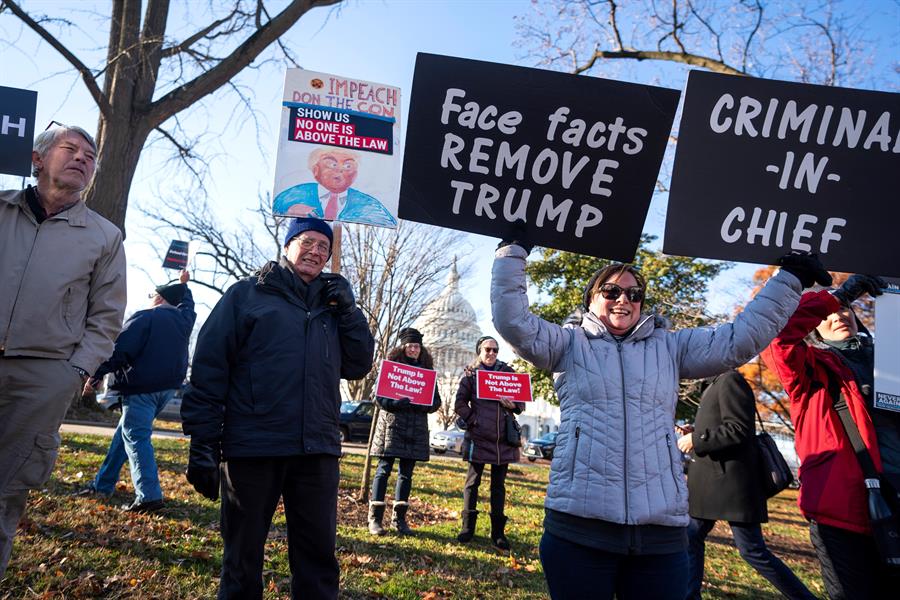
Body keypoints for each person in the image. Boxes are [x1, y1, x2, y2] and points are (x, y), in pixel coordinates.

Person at [491, 240, 831, 600]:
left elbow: (738, 340)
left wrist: (790, 278)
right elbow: (514, 323)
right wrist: (512, 254)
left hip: (661, 535)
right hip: (579, 529)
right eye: (612, 291)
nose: (624, 300)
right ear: (592, 298)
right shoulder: (567, 344)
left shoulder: (670, 347)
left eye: (634, 294)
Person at [181, 217, 374, 600]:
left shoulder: (334, 308)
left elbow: (358, 364)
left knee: (318, 559)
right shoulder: (246, 295)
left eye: (324, 246)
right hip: (253, 446)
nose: (316, 251)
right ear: (286, 246)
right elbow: (209, 367)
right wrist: (202, 441)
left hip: (316, 449)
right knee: (242, 557)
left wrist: (351, 313)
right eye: (307, 241)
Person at [0, 124, 126, 578]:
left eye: (90, 156)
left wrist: (73, 373)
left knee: (5, 493)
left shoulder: (105, 237)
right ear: (37, 160)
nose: (81, 159)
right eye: (69, 149)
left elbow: (108, 316)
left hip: (42, 379)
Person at [763, 274, 900, 598]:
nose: (839, 315)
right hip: (843, 513)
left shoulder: (890, 360)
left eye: (846, 309)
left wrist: (893, 302)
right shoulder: (812, 367)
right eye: (828, 314)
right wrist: (840, 295)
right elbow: (778, 342)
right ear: (815, 328)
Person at [678, 370, 815, 599]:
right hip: (714, 486)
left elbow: (739, 429)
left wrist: (697, 439)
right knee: (692, 536)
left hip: (730, 486)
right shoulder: (713, 384)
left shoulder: (730, 380)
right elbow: (722, 428)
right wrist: (696, 432)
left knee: (752, 551)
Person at [80, 270, 196, 513]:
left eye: (153, 294)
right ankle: (103, 484)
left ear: (160, 298)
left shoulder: (145, 317)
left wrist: (97, 373)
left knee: (136, 436)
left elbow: (120, 350)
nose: (150, 297)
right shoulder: (184, 320)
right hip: (167, 390)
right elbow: (188, 303)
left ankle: (149, 497)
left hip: (142, 388)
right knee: (126, 434)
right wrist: (184, 285)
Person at [453, 335, 525, 551]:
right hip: (478, 437)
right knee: (472, 483)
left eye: (495, 350)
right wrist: (474, 420)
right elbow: (459, 403)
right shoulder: (470, 375)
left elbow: (521, 404)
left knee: (498, 487)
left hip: (503, 440)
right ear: (480, 352)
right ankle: (467, 528)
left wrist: (512, 405)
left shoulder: (508, 373)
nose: (492, 353)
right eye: (488, 350)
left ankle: (498, 533)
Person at [368, 327, 441, 536]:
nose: (413, 350)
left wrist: (423, 405)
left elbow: (436, 402)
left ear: (421, 349)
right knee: (383, 470)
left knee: (406, 475)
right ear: (403, 347)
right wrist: (393, 402)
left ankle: (399, 519)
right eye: (409, 346)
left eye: (416, 346)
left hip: (415, 429)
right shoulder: (390, 369)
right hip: (391, 426)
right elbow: (378, 398)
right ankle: (375, 519)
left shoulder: (427, 374)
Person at [273, 147, 397, 227]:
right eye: (332, 164)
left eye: (348, 166)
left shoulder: (369, 204)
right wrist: (290, 211)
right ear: (315, 169)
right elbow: (277, 208)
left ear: (356, 174)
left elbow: (387, 221)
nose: (340, 170)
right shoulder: (295, 194)